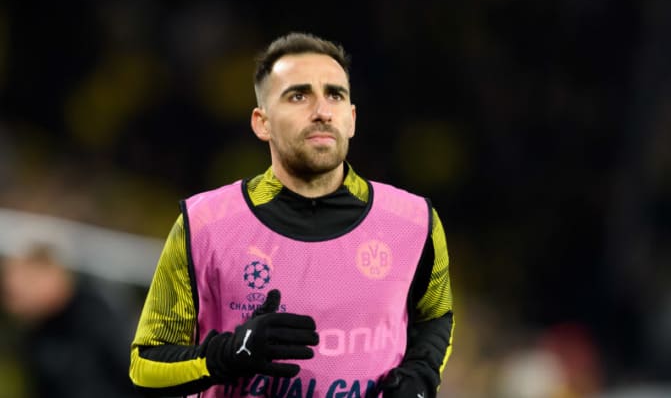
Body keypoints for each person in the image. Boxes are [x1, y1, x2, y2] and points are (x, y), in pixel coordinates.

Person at [129, 32, 454, 398]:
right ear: (261, 122)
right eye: (298, 96)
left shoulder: (413, 222)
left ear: (351, 119)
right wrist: (227, 354)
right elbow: (146, 365)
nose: (321, 111)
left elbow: (436, 316)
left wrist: (422, 374)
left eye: (335, 95)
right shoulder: (204, 225)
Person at [0, 244, 136, 397]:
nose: (12, 306)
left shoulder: (96, 313)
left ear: (45, 274)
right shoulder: (37, 334)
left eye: (16, 294)